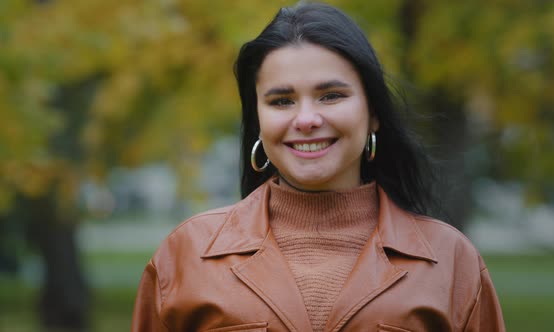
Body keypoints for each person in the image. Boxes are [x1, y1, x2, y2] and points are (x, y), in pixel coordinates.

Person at [132, 2, 505, 331]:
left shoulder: (449, 258)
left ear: (373, 113)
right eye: (281, 101)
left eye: (331, 96)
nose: (306, 119)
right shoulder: (188, 254)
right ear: (258, 119)